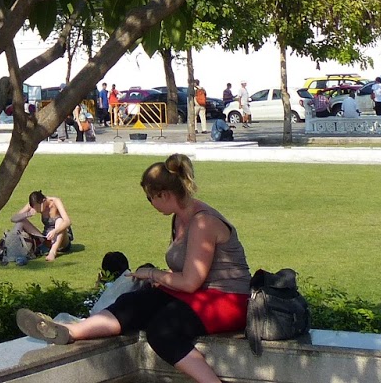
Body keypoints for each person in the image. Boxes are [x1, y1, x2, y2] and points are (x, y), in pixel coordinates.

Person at [15, 154, 248, 383]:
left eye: (150, 198)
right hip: (194, 294)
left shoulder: (202, 221)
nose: (150, 204)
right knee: (132, 303)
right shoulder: (179, 217)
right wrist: (156, 279)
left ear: (164, 195)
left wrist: (151, 274)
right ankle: (69, 331)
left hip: (226, 299)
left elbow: (190, 281)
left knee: (162, 331)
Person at [10, 190, 72, 261]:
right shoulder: (34, 204)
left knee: (60, 221)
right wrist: (28, 214)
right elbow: (14, 219)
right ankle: (13, 248)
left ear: (43, 200)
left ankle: (52, 252)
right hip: (46, 237)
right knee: (21, 221)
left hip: (61, 239)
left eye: (37, 207)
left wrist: (55, 231)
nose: (36, 210)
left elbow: (68, 221)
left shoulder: (55, 202)